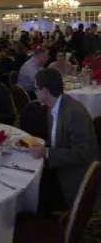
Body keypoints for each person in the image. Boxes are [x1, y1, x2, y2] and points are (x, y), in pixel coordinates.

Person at [30, 68, 98, 213]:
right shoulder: (52, 106)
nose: (34, 91)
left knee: (37, 195)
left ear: (45, 90)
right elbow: (55, 141)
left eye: (36, 88)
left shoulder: (74, 113)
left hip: (75, 177)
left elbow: (83, 154)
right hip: (59, 165)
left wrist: (47, 153)